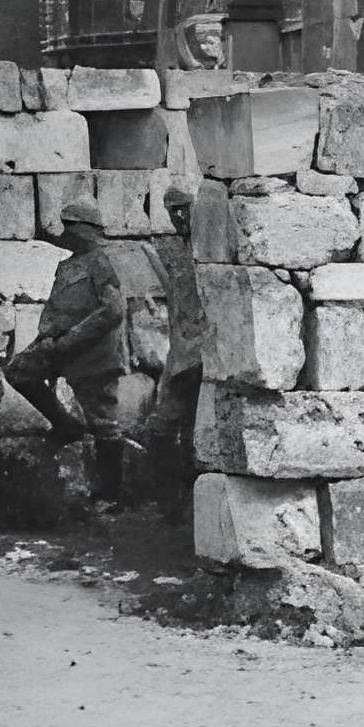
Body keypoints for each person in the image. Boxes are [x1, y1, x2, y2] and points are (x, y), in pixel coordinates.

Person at [3, 194, 133, 507]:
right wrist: (46, 338)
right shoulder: (69, 265)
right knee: (19, 371)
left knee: (103, 422)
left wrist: (72, 338)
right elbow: (56, 307)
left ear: (85, 229)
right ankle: (66, 424)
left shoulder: (102, 260)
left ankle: (109, 496)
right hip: (58, 346)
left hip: (93, 353)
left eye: (71, 227)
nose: (67, 233)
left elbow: (113, 310)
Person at [149, 182, 205, 524]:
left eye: (184, 208)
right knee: (163, 429)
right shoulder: (170, 251)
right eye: (173, 211)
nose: (180, 216)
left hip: (208, 358)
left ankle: (196, 503)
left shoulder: (211, 246)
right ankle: (172, 507)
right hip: (182, 358)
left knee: (199, 431)